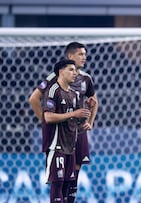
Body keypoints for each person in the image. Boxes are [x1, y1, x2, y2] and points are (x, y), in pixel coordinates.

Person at [29, 42, 98, 203]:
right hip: (60, 131)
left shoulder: (86, 78)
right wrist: (45, 121)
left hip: (78, 130)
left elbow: (94, 100)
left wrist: (90, 121)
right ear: (70, 56)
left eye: (85, 54)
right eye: (80, 54)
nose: (84, 57)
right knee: (58, 178)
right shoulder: (54, 78)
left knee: (74, 171)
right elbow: (33, 99)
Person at [43, 59, 91, 203]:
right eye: (71, 69)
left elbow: (76, 120)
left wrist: (87, 111)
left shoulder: (74, 94)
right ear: (61, 72)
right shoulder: (53, 91)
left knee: (69, 185)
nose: (75, 73)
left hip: (71, 147)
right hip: (56, 145)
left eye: (75, 70)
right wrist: (73, 114)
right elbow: (48, 117)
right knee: (57, 183)